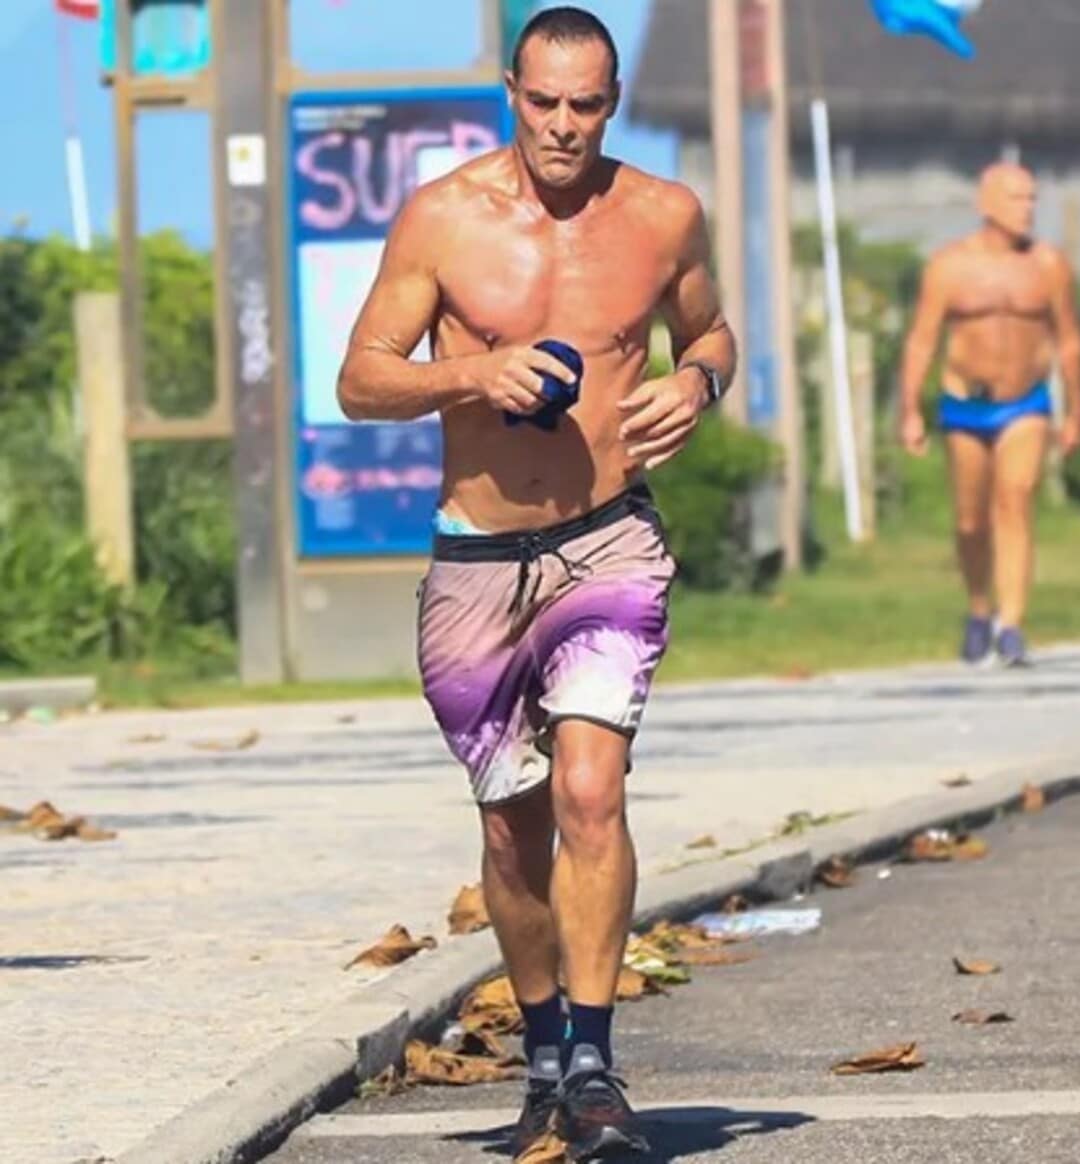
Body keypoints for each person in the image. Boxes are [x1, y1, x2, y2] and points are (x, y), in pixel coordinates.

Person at [337, 7, 736, 1159]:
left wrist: (697, 388)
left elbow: (712, 335)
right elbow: (362, 379)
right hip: (475, 560)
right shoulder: (445, 217)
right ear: (512, 90)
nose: (564, 126)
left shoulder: (663, 214)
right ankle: (548, 1054)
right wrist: (475, 371)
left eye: (589, 104)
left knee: (590, 793)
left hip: (609, 542)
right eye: (544, 101)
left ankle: (600, 1069)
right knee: (514, 835)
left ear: (614, 101)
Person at [898, 161, 1080, 667]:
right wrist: (910, 409)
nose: (1027, 209)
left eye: (1031, 198)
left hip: (1026, 401)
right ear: (986, 204)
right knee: (969, 520)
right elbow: (922, 340)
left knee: (1016, 499)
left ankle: (1013, 626)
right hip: (965, 403)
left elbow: (1068, 341)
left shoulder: (1048, 266)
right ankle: (979, 609)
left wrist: (1077, 413)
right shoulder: (950, 266)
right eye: (1016, 198)